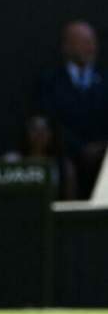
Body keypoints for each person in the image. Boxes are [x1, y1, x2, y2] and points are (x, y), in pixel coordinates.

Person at [37, 20, 108, 198]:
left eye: (92, 41)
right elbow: (50, 121)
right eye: (83, 42)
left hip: (103, 152)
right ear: (67, 47)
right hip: (66, 153)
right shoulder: (50, 82)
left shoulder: (105, 80)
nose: (90, 47)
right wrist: (78, 149)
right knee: (64, 168)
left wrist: (101, 146)